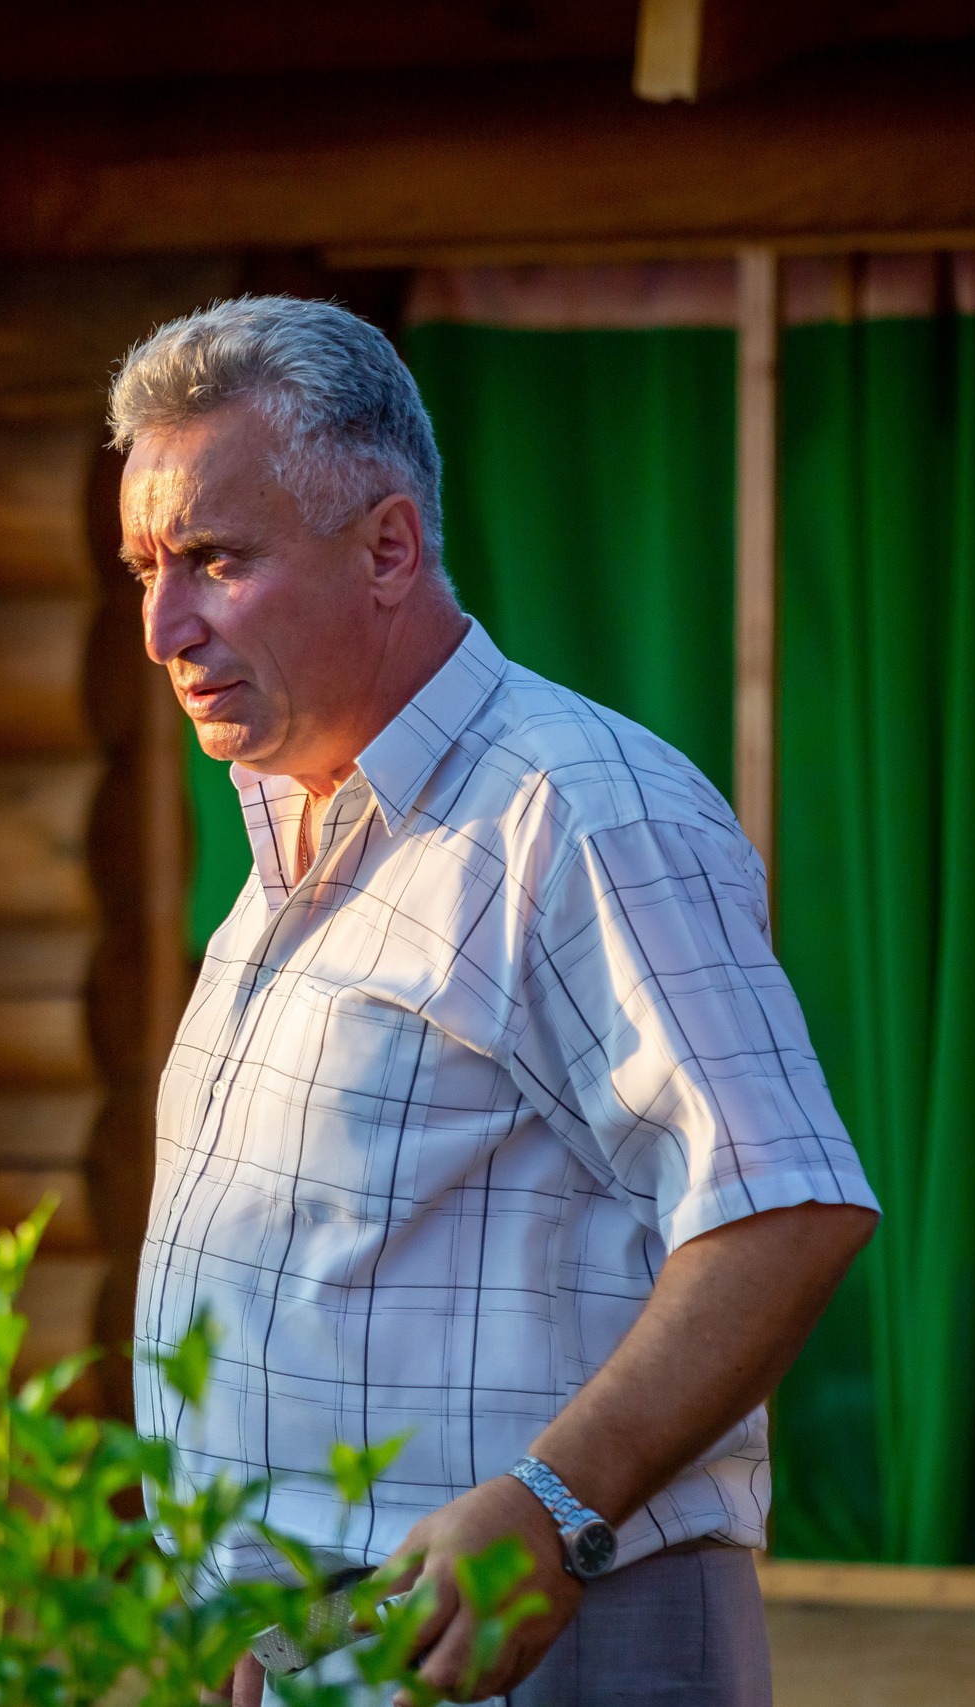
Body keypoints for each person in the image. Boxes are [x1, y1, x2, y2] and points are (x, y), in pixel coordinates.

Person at [115, 297, 881, 1707]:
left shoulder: (576, 811)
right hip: (315, 1665)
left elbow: (782, 1209)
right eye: (146, 568)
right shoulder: (292, 842)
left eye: (217, 560)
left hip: (545, 1648)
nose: (166, 624)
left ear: (390, 546)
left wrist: (550, 1505)